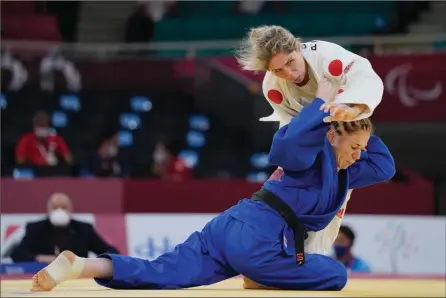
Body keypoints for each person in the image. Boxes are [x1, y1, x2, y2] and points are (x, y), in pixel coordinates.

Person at [30, 78, 395, 292]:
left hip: (233, 222)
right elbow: (282, 145)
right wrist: (324, 104)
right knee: (335, 274)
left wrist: (361, 111)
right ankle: (259, 276)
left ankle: (79, 266)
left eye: (362, 149)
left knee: (163, 273)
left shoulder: (348, 169)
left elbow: (384, 166)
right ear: (332, 135)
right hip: (259, 239)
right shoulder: (311, 152)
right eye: (354, 147)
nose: (358, 155)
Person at [235, 25, 385, 267]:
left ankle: (310, 262)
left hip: (345, 138)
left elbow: (368, 80)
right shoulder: (272, 87)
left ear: (297, 47)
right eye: (278, 70)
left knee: (333, 204)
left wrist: (353, 109)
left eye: (291, 62)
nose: (289, 73)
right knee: (290, 197)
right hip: (313, 145)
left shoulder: (327, 56)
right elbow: (294, 133)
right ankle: (272, 261)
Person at [11, 193, 119, 264]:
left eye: (63, 207)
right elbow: (17, 254)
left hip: (76, 277)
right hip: (42, 275)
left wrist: (91, 263)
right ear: (48, 209)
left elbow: (109, 251)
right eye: (55, 207)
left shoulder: (83, 229)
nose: (59, 211)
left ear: (70, 208)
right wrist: (41, 258)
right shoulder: (35, 228)